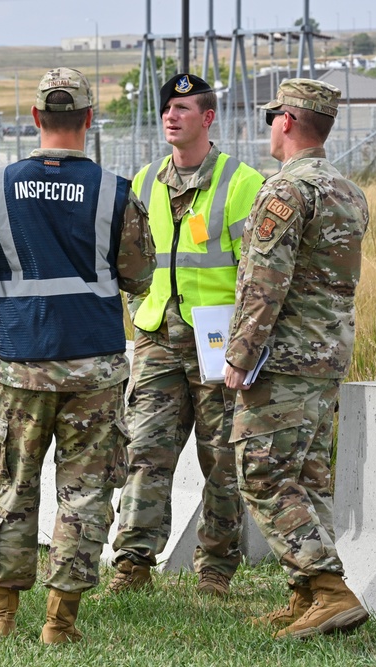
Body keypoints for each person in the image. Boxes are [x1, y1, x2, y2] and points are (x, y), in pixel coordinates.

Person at [0, 67, 155, 644]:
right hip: (96, 367)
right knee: (86, 491)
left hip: (22, 363)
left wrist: (16, 298)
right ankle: (59, 622)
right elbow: (140, 276)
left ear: (36, 118)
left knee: (14, 486)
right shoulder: (115, 193)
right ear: (88, 120)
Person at [105, 73, 263, 597]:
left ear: (208, 117)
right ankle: (133, 563)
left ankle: (215, 570)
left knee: (221, 458)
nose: (171, 117)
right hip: (155, 335)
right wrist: (139, 309)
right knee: (145, 450)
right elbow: (129, 259)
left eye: (183, 108)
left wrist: (243, 341)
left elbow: (257, 273)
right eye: (167, 108)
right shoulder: (145, 180)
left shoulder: (243, 183)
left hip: (217, 343)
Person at [223, 78, 370, 639]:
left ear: (286, 120)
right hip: (328, 356)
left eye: (271, 120)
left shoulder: (284, 191)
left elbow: (265, 284)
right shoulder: (349, 191)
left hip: (283, 360)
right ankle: (305, 594)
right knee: (307, 479)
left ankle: (329, 588)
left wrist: (239, 356)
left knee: (260, 472)